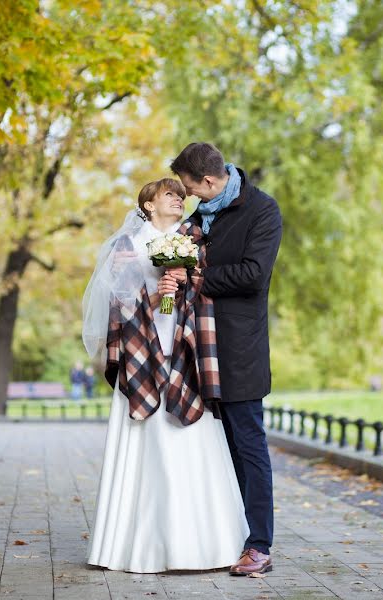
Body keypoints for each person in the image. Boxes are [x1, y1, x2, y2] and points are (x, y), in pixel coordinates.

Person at [82, 177, 248, 573]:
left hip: (186, 347)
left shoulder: (193, 237)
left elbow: (209, 289)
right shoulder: (126, 247)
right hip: (143, 349)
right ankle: (134, 547)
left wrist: (184, 283)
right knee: (148, 441)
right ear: (149, 204)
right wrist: (157, 295)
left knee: (191, 440)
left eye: (181, 195)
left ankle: (206, 546)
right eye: (170, 195)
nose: (180, 200)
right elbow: (117, 305)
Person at [158, 142, 283, 576]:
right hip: (197, 350)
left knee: (248, 447)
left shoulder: (262, 211)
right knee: (216, 450)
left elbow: (254, 275)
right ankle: (225, 536)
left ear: (210, 180)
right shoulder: (196, 219)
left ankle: (260, 546)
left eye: (192, 188)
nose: (189, 197)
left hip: (239, 350)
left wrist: (196, 276)